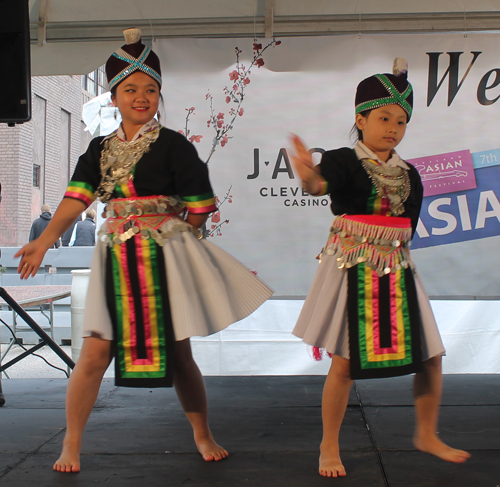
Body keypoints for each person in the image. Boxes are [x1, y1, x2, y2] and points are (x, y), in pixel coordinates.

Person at [15, 28, 273, 474]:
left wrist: (179, 243)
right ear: (113, 97)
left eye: (150, 89)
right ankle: (72, 443)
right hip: (117, 259)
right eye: (130, 89)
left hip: (164, 257)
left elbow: (199, 207)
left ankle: (202, 433)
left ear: (159, 95)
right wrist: (42, 240)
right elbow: (77, 200)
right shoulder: (97, 149)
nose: (141, 97)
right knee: (95, 351)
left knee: (179, 352)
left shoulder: (175, 145)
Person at [290, 58, 470, 478]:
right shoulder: (342, 160)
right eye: (384, 117)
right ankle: (328, 446)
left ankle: (426, 433)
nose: (393, 127)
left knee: (431, 355)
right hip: (352, 266)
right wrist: (306, 176)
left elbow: (409, 225)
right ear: (361, 119)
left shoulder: (410, 174)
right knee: (344, 363)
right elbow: (319, 185)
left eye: (401, 121)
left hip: (396, 267)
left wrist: (390, 242)